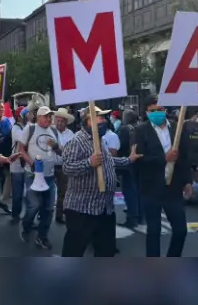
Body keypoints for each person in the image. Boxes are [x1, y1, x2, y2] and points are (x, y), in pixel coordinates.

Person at [60, 106, 143, 256]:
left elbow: (108, 161)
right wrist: (89, 163)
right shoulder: (76, 141)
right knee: (74, 251)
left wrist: (128, 160)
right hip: (82, 209)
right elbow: (67, 168)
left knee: (105, 251)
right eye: (100, 118)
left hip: (104, 208)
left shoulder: (100, 141)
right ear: (89, 121)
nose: (104, 121)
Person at [132, 95, 195, 257]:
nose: (157, 113)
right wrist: (163, 159)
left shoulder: (177, 128)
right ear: (146, 112)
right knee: (153, 232)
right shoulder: (141, 131)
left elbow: (185, 158)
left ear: (165, 110)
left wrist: (188, 182)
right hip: (151, 188)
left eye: (160, 110)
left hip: (173, 188)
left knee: (181, 230)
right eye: (152, 111)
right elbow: (137, 161)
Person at [19, 106, 60, 250]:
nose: (49, 119)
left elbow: (60, 151)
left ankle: (42, 237)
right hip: (32, 175)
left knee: (48, 208)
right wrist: (31, 163)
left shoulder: (54, 131)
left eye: (50, 116)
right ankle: (26, 226)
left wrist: (55, 146)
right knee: (34, 205)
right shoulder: (29, 129)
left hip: (49, 176)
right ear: (39, 117)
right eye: (46, 116)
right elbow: (21, 150)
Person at [116, 109, 142, 229]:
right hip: (141, 162)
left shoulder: (124, 129)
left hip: (128, 162)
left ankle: (132, 217)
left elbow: (119, 146)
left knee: (129, 190)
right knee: (139, 190)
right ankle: (141, 216)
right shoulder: (142, 127)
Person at [50, 108, 76, 224]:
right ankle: (43, 214)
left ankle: (59, 215)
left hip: (63, 165)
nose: (59, 123)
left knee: (63, 192)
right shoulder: (49, 131)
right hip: (49, 164)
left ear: (66, 122)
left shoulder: (71, 135)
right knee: (45, 191)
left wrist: (57, 147)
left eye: (62, 121)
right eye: (58, 120)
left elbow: (69, 151)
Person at [7, 108, 30, 223]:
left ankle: (26, 215)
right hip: (16, 165)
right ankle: (15, 214)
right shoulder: (16, 128)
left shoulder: (26, 127)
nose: (30, 116)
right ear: (20, 117)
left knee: (28, 193)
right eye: (27, 115)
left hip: (25, 164)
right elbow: (24, 138)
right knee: (17, 193)